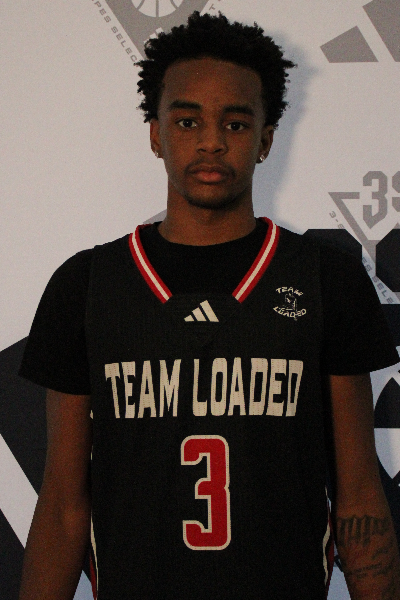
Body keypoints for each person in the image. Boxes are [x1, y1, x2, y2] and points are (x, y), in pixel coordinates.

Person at [18, 11, 400, 600]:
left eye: (237, 123)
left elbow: (359, 498)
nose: (212, 140)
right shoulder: (87, 285)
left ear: (266, 139)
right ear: (155, 133)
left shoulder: (328, 278)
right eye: (188, 120)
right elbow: (64, 507)